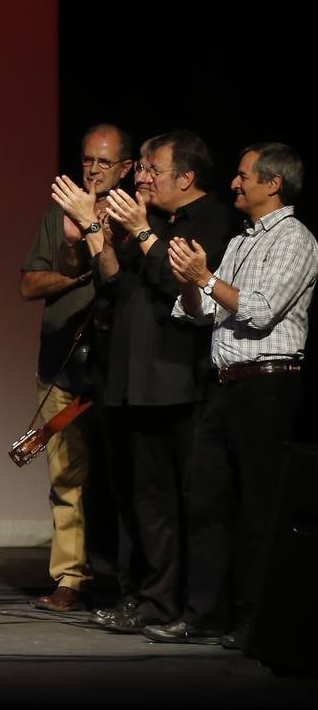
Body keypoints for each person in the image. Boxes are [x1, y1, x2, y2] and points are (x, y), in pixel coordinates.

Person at [146, 142, 315, 650]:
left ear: (273, 183)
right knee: (206, 504)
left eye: (244, 176)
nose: (235, 184)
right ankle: (204, 614)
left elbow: (260, 310)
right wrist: (193, 284)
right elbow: (203, 313)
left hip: (268, 385)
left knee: (258, 509)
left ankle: (254, 620)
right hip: (225, 386)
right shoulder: (242, 241)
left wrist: (206, 279)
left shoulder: (295, 239)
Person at [82, 129, 238, 635]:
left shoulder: (212, 220)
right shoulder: (146, 219)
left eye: (152, 170)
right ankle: (152, 600)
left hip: (181, 383)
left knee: (191, 504)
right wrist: (95, 229)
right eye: (142, 168)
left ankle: (199, 609)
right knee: (146, 503)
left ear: (186, 178)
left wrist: (143, 230)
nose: (142, 177)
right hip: (133, 380)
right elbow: (110, 277)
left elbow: (182, 284)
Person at [22, 124, 134, 612]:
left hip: (120, 371)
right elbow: (29, 285)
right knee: (65, 477)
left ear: (126, 169)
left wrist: (97, 244)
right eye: (86, 159)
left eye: (103, 162)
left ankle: (137, 581)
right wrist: (74, 253)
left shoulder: (136, 217)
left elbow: (124, 283)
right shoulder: (59, 212)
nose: (91, 169)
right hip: (63, 366)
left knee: (128, 478)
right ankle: (70, 577)